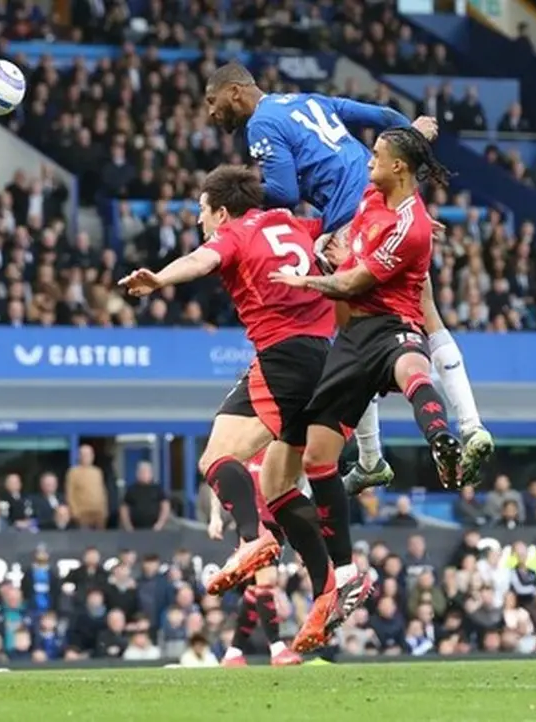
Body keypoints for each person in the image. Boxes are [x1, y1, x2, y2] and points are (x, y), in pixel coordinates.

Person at [204, 62, 495, 495]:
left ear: (234, 92)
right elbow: (380, 117)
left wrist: (237, 197)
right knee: (427, 313)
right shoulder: (303, 99)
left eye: (212, 102)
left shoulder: (261, 124)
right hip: (389, 204)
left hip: (350, 222)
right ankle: (470, 426)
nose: (211, 113)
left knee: (347, 336)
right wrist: (410, 143)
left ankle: (371, 457)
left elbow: (282, 192)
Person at [119, 165, 348, 622]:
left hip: (283, 355)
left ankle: (251, 538)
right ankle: (328, 592)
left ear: (221, 212)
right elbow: (343, 225)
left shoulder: (236, 234)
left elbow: (201, 260)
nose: (201, 222)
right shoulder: (293, 223)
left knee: (213, 459)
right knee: (280, 487)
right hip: (328, 359)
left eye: (203, 212)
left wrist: (161, 279)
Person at [268, 127, 461, 652]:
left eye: (377, 155)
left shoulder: (412, 227)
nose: (368, 160)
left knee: (409, 364)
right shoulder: (377, 196)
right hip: (351, 338)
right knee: (318, 459)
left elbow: (354, 284)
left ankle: (442, 437)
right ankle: (347, 572)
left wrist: (307, 280)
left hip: (391, 322)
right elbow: (356, 231)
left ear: (398, 167)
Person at [208, 449, 305, 668]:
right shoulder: (244, 448)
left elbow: (300, 481)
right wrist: (215, 517)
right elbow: (218, 480)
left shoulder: (280, 448)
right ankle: (277, 648)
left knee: (255, 590)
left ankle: (233, 653)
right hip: (252, 524)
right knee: (266, 582)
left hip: (277, 523)